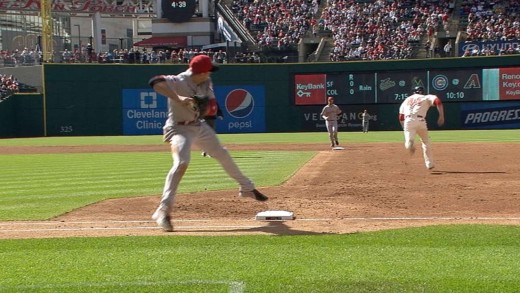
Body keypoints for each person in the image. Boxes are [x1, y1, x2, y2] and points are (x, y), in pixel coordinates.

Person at [148, 54, 268, 232]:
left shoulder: (205, 83)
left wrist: (208, 108)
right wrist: (178, 98)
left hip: (199, 126)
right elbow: (155, 82)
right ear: (201, 71)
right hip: (179, 129)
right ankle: (163, 210)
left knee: (222, 153)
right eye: (207, 71)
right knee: (181, 163)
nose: (209, 74)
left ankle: (247, 188)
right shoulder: (179, 80)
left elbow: (209, 104)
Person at [398, 86, 445, 170]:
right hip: (421, 120)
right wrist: (441, 116)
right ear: (423, 92)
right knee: (426, 142)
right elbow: (438, 101)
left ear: (414, 92)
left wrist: (405, 127)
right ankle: (429, 163)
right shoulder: (426, 97)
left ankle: (409, 144)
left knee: (408, 140)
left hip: (408, 120)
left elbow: (401, 117)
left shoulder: (406, 100)